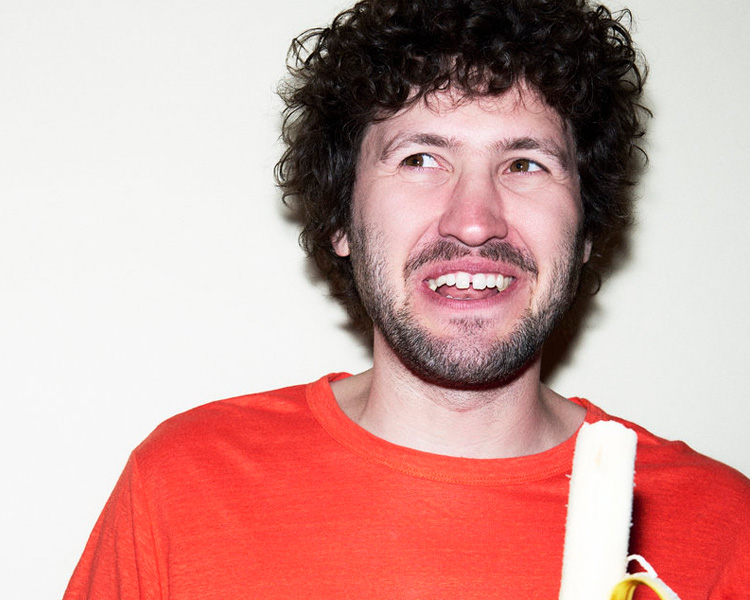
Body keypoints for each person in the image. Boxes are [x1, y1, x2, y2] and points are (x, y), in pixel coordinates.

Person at [64, 0, 750, 598]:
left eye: (525, 164)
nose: (474, 220)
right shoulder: (183, 488)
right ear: (341, 220)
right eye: (420, 159)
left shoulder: (723, 529)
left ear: (585, 233)